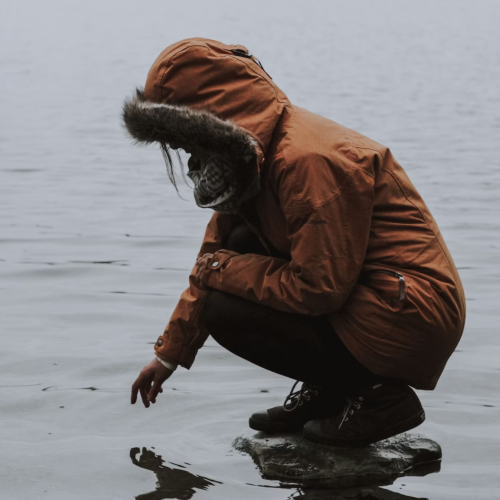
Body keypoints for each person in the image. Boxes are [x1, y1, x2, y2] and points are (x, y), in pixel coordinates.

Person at [124, 38, 465, 447]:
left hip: (410, 312)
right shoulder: (251, 160)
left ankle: (379, 399)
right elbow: (214, 256)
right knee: (233, 250)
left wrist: (225, 270)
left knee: (224, 311)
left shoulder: (308, 159)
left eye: (180, 136)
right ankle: (333, 392)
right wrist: (168, 355)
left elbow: (318, 288)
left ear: (210, 119)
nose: (181, 150)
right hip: (374, 298)